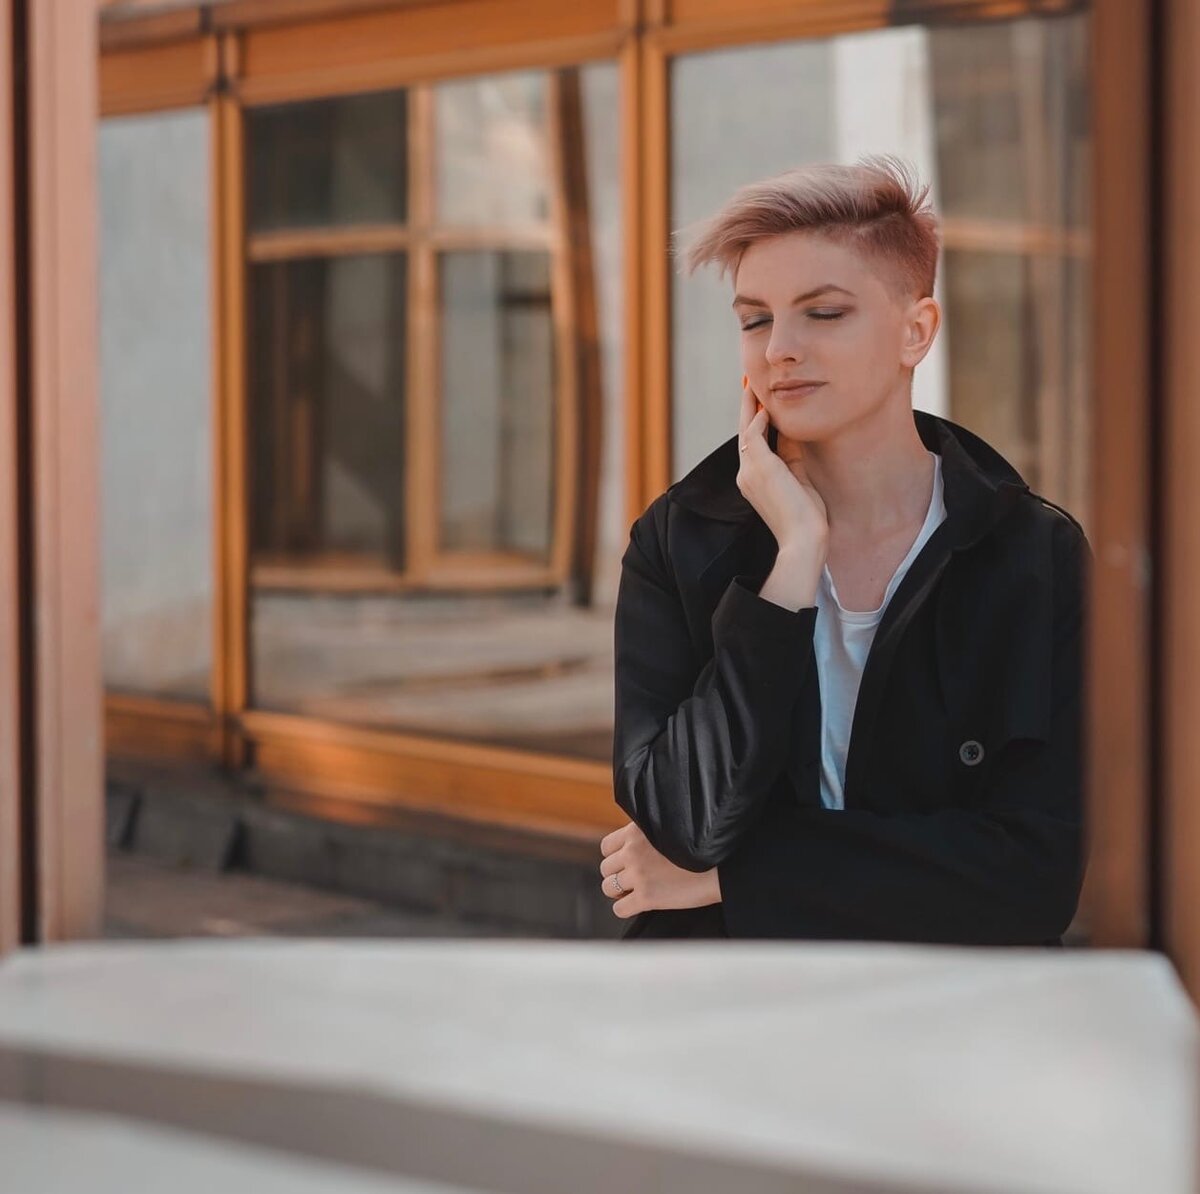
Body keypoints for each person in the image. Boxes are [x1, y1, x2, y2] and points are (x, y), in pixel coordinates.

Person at [599, 157, 1088, 944]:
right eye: (754, 320)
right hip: (716, 994)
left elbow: (1031, 879)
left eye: (823, 313)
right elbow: (685, 826)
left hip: (942, 996)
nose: (779, 349)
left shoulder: (1032, 557)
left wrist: (739, 878)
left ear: (915, 332)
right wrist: (791, 563)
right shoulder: (680, 539)